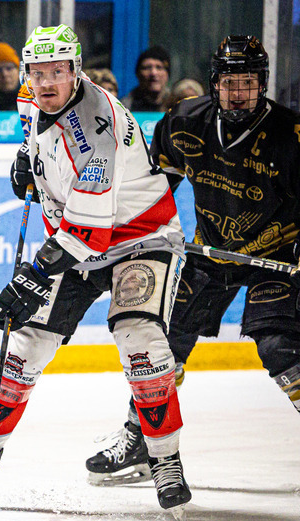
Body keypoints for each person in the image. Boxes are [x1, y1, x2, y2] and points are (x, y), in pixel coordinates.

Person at [0, 25, 192, 511]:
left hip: (137, 238)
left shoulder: (98, 127)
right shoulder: (30, 96)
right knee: (23, 347)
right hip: (73, 236)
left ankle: (164, 458)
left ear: (76, 71)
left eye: (57, 73)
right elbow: (36, 138)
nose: (44, 83)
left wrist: (29, 278)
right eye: (36, 73)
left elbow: (88, 234)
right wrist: (26, 160)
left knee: (139, 337)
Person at [88, 36, 300, 484]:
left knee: (279, 347)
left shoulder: (290, 135)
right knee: (162, 342)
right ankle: (142, 439)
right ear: (214, 84)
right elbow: (152, 188)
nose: (238, 92)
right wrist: (138, 237)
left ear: (262, 84)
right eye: (229, 83)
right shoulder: (187, 121)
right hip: (211, 250)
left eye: (247, 82)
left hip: (276, 255)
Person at [122, 45, 171, 112]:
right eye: (147, 68)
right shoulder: (124, 107)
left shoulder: (176, 105)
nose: (153, 73)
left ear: (167, 74)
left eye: (159, 67)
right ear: (138, 73)